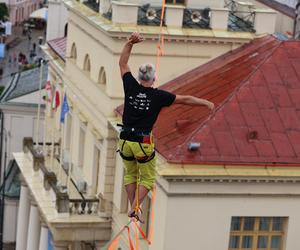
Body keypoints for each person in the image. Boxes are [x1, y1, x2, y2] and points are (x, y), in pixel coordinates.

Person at [118, 32, 214, 223]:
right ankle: (135, 208)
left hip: (125, 139)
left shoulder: (130, 85)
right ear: (153, 79)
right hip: (142, 142)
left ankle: (133, 207)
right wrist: (206, 103)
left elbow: (122, 63)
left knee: (130, 173)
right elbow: (185, 100)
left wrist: (130, 43)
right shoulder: (159, 96)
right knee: (146, 179)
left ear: (139, 77)